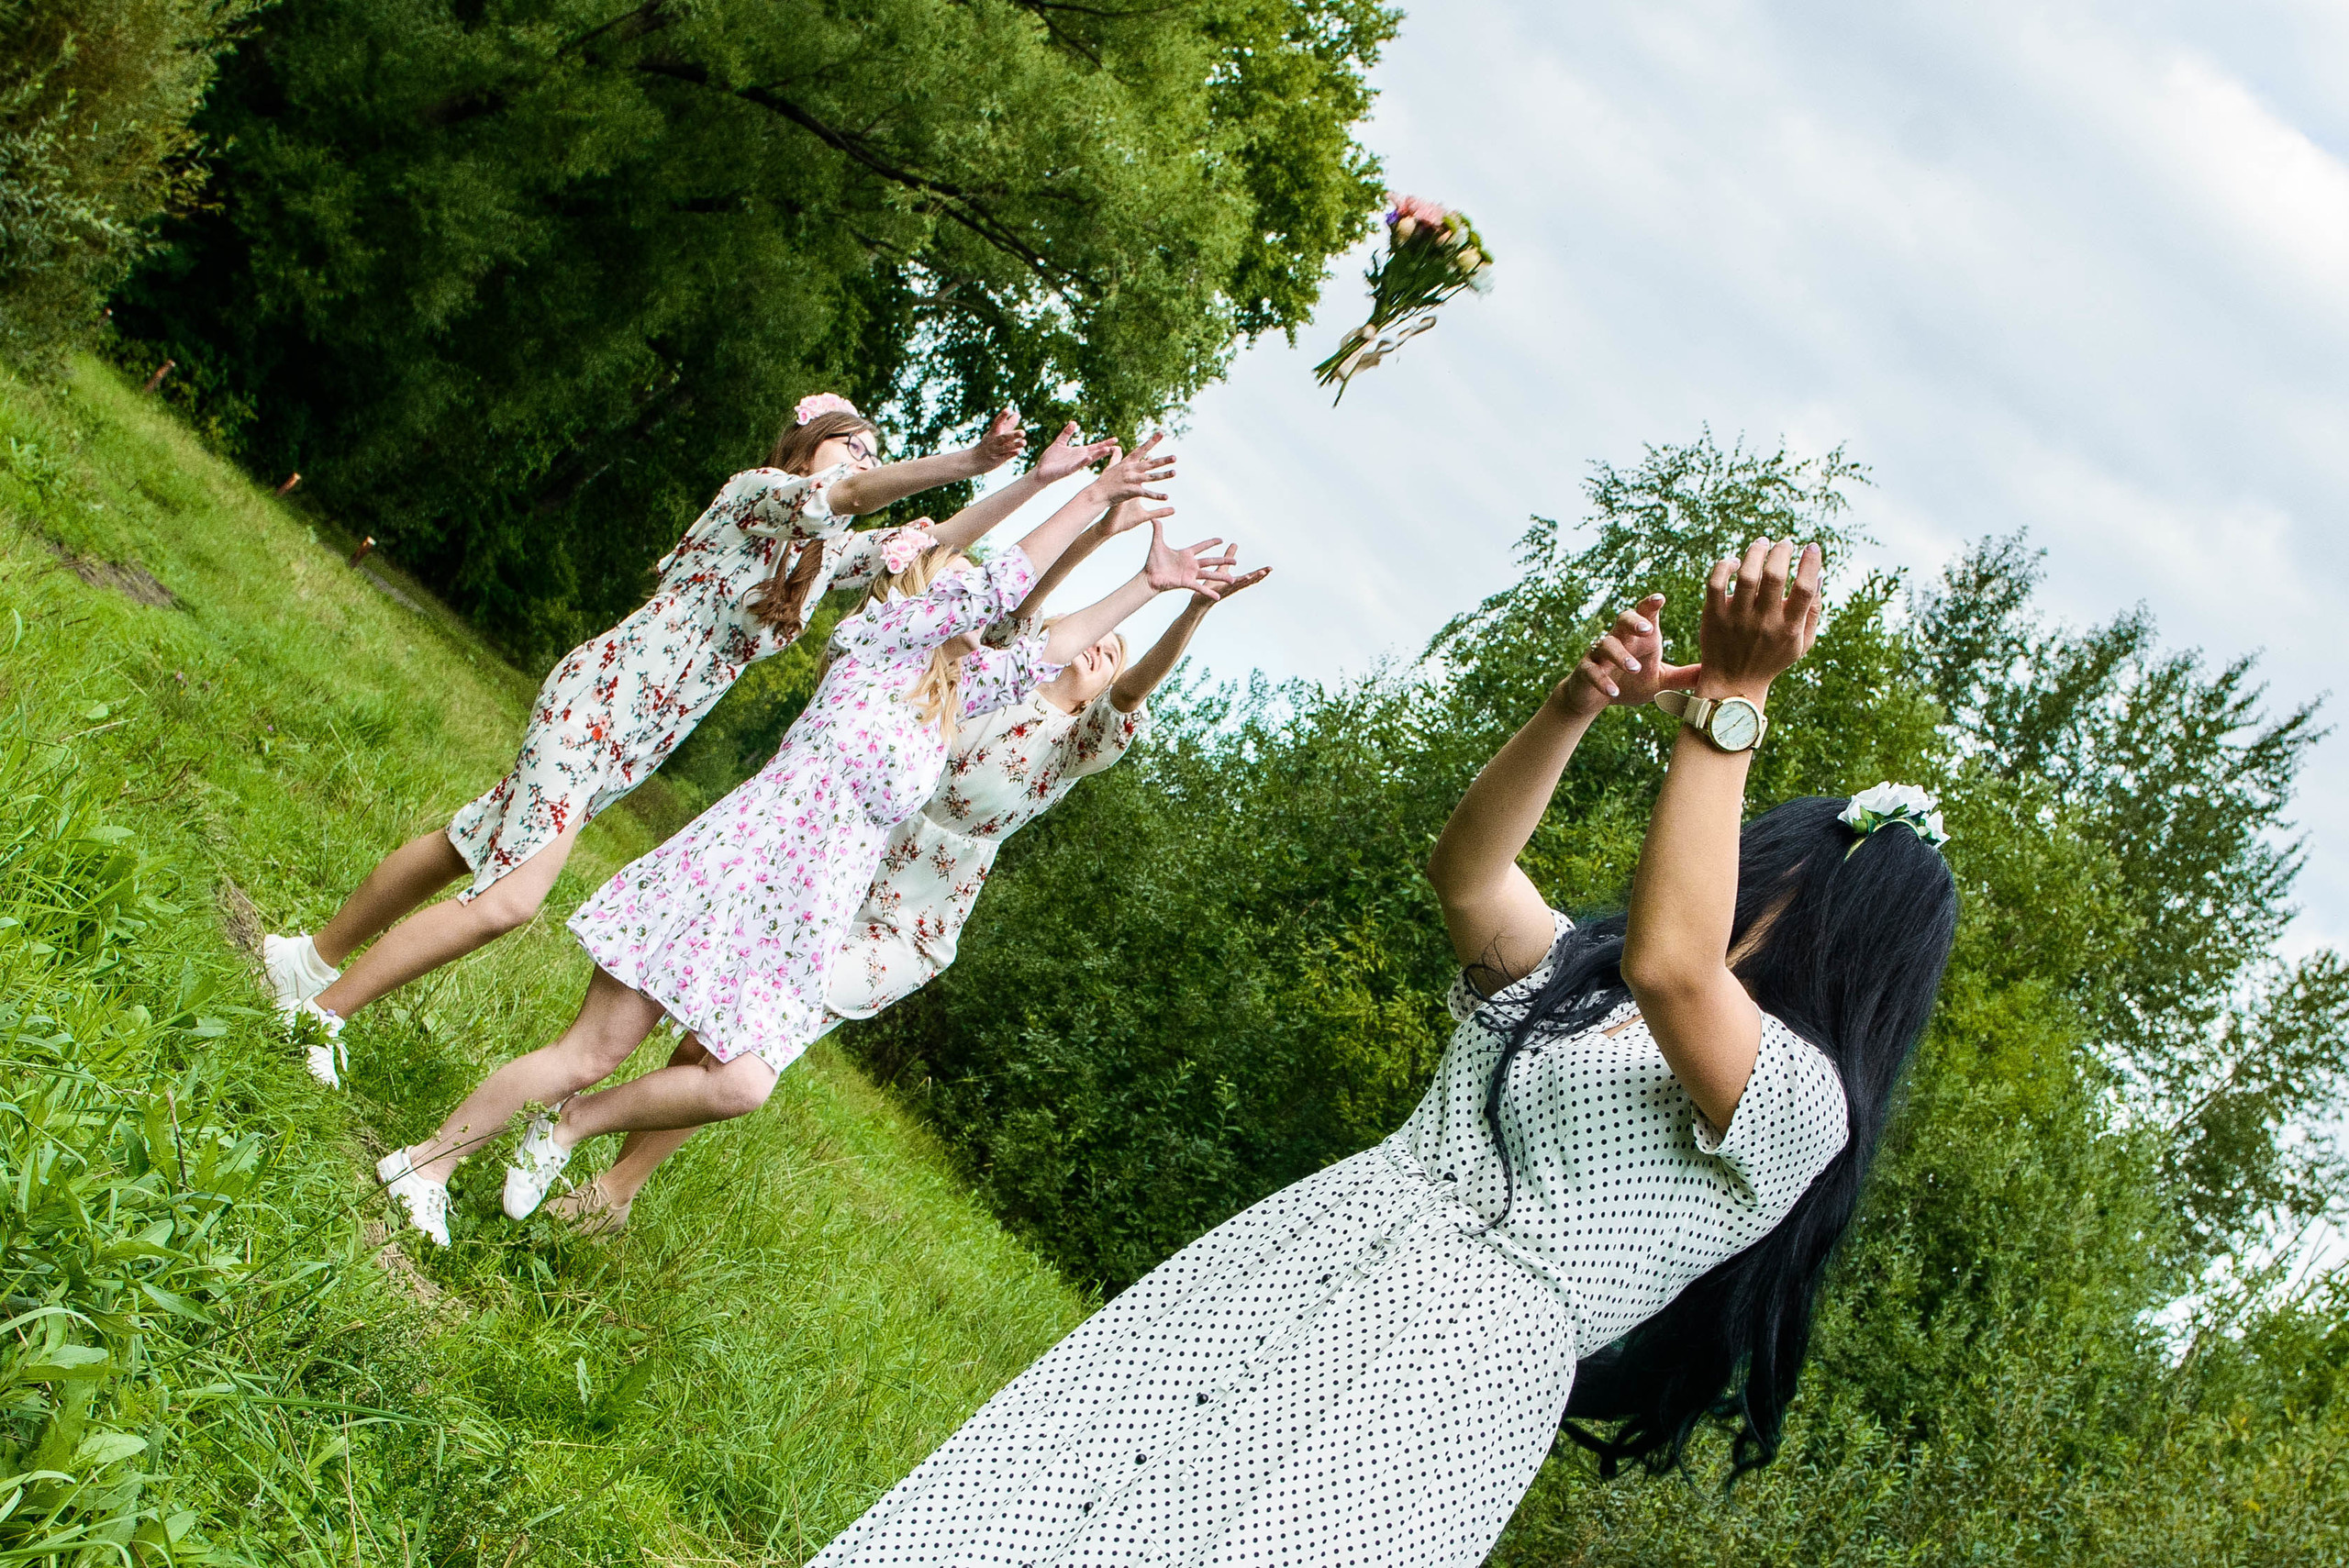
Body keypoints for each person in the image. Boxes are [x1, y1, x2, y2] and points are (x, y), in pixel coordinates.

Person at [798, 538, 1960, 1568]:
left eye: (1781, 866)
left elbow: (1675, 963)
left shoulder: (1798, 1100)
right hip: (1326, 1239)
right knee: (1074, 1482)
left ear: (1835, 933)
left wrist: (1736, 697)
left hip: (1448, 1372)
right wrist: (1571, 708)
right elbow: (1468, 874)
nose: (1751, 869)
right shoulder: (1582, 980)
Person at [374, 441, 1237, 1246]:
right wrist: (1080, 492)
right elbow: (998, 584)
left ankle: (566, 1128)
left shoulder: (948, 698)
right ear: (922, 594)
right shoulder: (874, 643)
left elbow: (1048, 648)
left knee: (741, 1081)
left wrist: (1149, 584)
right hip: (734, 869)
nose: (985, 606)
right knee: (590, 1051)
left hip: (797, 923)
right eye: (963, 590)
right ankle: (425, 1165)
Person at [260, 396, 1116, 1088]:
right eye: (850, 444)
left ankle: (305, 961)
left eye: (869, 450)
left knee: (471, 841)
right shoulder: (759, 495)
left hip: (636, 741)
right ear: (807, 446)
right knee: (510, 898)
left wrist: (1036, 483)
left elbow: (932, 546)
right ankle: (320, 1017)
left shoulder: (820, 562)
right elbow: (854, 497)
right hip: (601, 699)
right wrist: (969, 458)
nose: (861, 460)